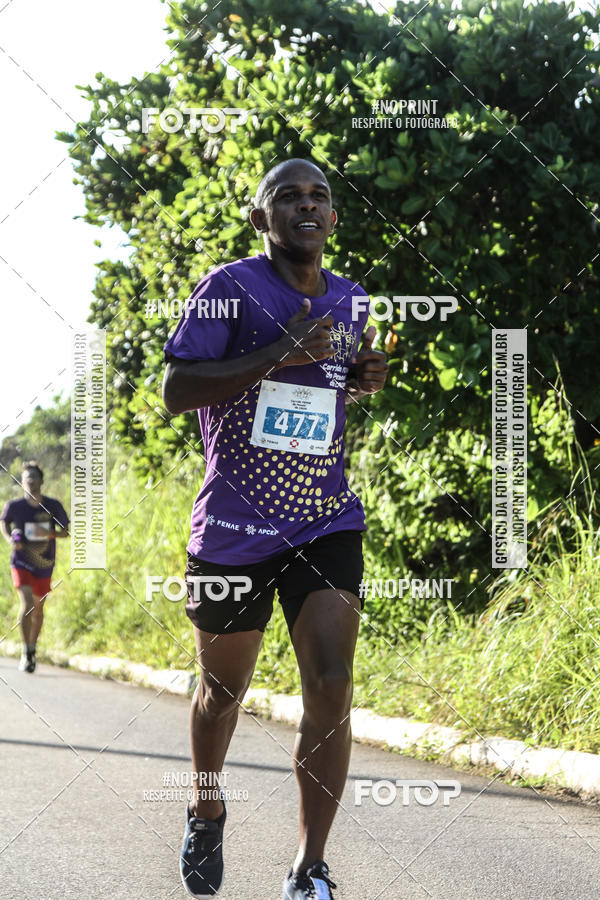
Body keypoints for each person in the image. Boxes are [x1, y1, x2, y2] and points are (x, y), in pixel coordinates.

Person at [162, 158, 388, 899]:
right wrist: (277, 354)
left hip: (325, 519)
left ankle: (308, 866)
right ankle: (205, 804)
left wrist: (360, 376)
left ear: (332, 215)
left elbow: (331, 382)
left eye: (319, 195)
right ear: (261, 219)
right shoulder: (228, 291)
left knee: (330, 683)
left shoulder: (351, 300)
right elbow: (178, 388)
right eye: (286, 197)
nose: (306, 206)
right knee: (221, 693)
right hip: (233, 528)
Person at [0, 461, 69, 673]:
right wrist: (11, 538)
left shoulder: (53, 505)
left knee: (38, 609)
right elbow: (4, 522)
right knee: (28, 603)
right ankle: (26, 650)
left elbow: (66, 531)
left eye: (34, 477)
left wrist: (44, 533)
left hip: (44, 562)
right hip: (20, 561)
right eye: (26, 477)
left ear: (42, 480)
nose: (30, 480)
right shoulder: (14, 506)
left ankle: (33, 648)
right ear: (22, 482)